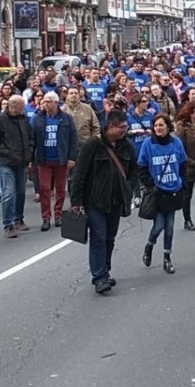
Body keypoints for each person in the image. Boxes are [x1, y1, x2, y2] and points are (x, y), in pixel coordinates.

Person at [70, 110, 136, 294]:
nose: (125, 130)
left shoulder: (126, 146)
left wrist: (128, 188)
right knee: (98, 237)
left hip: (116, 201)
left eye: (126, 127)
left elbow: (133, 169)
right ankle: (99, 277)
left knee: (109, 237)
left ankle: (105, 270)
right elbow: (79, 174)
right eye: (122, 127)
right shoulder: (93, 145)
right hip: (95, 201)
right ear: (110, 127)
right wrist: (76, 201)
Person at [138, 113, 187, 274]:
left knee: (170, 226)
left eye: (161, 125)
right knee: (159, 225)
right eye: (156, 125)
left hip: (173, 188)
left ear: (168, 127)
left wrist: (181, 182)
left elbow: (182, 164)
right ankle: (149, 246)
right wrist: (150, 184)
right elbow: (142, 167)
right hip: (157, 191)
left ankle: (167, 257)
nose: (158, 128)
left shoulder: (176, 143)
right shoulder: (148, 144)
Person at [0, 95, 35, 238]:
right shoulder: (0, 120)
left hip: (22, 162)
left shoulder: (24, 119)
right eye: (22, 107)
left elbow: (30, 137)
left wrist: (29, 152)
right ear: (13, 106)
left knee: (21, 192)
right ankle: (7, 225)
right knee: (9, 193)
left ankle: (18, 219)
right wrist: (7, 153)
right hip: (7, 163)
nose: (24, 110)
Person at [32, 91, 79, 231]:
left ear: (56, 103)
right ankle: (46, 217)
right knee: (45, 189)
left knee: (60, 189)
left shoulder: (66, 118)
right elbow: (32, 139)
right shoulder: (37, 119)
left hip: (61, 159)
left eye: (49, 102)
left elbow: (73, 139)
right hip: (44, 159)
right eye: (44, 102)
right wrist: (30, 159)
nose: (46, 104)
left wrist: (71, 157)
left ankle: (58, 214)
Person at [175, 101, 195, 232]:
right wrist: (191, 161)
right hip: (189, 166)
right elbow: (180, 149)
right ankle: (187, 219)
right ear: (191, 113)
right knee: (187, 195)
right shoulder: (182, 128)